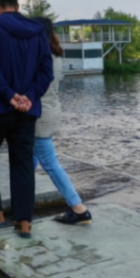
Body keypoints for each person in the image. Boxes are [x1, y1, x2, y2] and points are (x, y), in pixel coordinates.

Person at [0, 0, 54, 239]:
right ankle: (24, 221)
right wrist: (28, 97)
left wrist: (9, 96)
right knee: (22, 163)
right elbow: (46, 72)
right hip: (27, 111)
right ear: (17, 7)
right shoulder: (39, 32)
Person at [33, 17, 92, 225]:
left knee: (49, 163)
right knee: (29, 161)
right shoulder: (54, 54)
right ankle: (22, 204)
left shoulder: (40, 57)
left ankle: (78, 208)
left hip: (39, 116)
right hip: (49, 111)